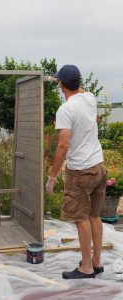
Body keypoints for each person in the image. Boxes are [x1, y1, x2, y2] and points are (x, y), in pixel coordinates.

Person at [46, 65, 106, 279]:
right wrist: (64, 80)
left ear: (61, 85)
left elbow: (63, 146)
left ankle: (86, 267)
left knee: (81, 218)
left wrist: (52, 177)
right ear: (78, 82)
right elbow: (79, 89)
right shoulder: (90, 98)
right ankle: (97, 262)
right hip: (99, 167)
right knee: (94, 216)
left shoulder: (66, 109)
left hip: (81, 171)